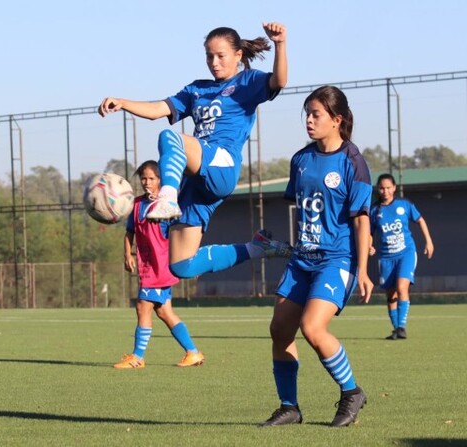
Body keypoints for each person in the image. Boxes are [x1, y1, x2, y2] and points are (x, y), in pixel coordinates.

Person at [99, 23, 291, 282]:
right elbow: (159, 109)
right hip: (197, 179)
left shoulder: (248, 81)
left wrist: (280, 44)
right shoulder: (197, 89)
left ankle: (166, 196)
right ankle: (256, 248)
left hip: (221, 165)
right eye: (209, 56)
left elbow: (279, 81)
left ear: (238, 55)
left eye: (220, 55)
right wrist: (123, 103)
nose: (214, 62)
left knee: (170, 137)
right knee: (181, 266)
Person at [259, 86, 373, 428]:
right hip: (301, 260)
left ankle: (351, 392)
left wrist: (363, 270)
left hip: (336, 260)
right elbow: (306, 211)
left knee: (312, 327)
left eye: (316, 114)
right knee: (280, 330)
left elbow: (361, 218)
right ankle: (289, 407)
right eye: (307, 114)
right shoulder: (301, 160)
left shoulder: (354, 162)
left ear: (337, 120)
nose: (309, 120)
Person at [114, 160, 204, 369]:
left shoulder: (169, 206)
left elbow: (185, 233)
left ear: (161, 180)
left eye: (151, 178)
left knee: (142, 307)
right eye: (143, 178)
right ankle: (193, 352)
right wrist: (128, 253)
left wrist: (191, 258)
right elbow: (130, 232)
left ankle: (137, 357)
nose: (146, 182)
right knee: (164, 312)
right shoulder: (136, 204)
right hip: (148, 267)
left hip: (161, 266)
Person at [369, 173, 434, 340]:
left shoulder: (404, 205)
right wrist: (369, 245)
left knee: (401, 287)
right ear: (378, 189)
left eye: (388, 188)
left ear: (394, 188)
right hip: (386, 257)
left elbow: (420, 220)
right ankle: (396, 329)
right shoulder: (375, 210)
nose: (385, 191)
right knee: (390, 295)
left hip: (406, 253)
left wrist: (428, 241)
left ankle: (401, 327)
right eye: (382, 188)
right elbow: (369, 233)